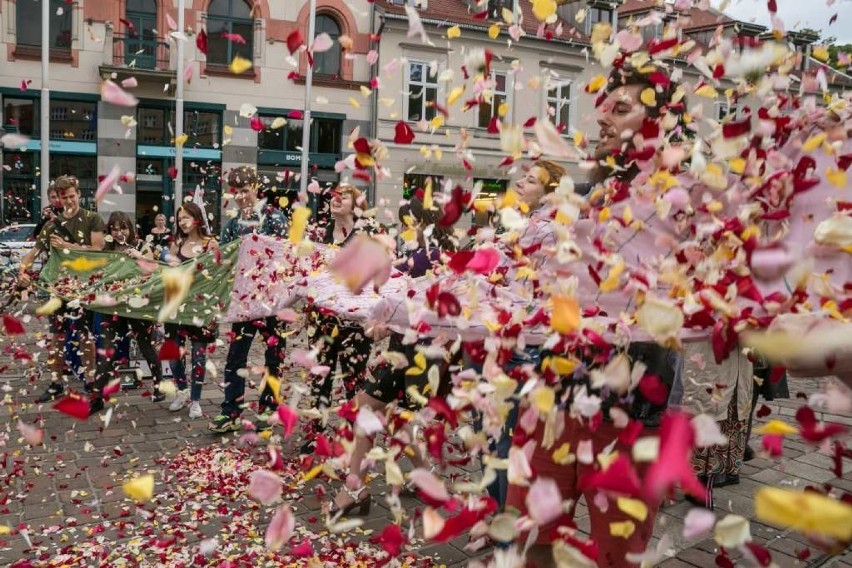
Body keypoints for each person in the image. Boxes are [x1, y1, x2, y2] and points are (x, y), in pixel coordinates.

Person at [328, 195, 454, 518]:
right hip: (403, 348)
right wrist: (385, 325)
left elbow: (427, 308)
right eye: (401, 222)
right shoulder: (412, 255)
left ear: (425, 222)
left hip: (422, 354)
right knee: (376, 410)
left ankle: (358, 487)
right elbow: (401, 306)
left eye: (407, 221)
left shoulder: (433, 256)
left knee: (380, 413)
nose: (402, 227)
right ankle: (414, 479)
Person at [208, 166, 288, 434]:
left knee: (273, 355)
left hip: (272, 301)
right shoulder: (232, 224)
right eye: (236, 192)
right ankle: (231, 410)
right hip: (243, 302)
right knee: (235, 356)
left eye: (245, 190)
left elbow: (283, 256)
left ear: (255, 187)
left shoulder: (275, 218)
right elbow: (227, 260)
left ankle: (269, 407)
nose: (241, 196)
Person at [18, 175, 105, 402]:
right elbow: (32, 254)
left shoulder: (92, 219)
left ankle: (90, 381)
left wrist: (68, 246)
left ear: (78, 194)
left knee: (85, 337)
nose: (68, 201)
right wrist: (22, 272)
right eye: (63, 198)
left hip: (84, 288)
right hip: (58, 289)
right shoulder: (51, 225)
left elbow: (98, 250)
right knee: (56, 337)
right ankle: (56, 382)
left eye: (71, 196)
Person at [301, 185, 374, 452]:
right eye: (333, 196)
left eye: (344, 196)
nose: (336, 200)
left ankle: (353, 436)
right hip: (321, 321)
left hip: (354, 324)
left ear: (356, 205)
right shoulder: (319, 233)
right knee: (320, 377)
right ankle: (315, 434)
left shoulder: (364, 235)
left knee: (354, 380)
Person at [88, 212, 165, 414]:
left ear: (130, 229)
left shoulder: (141, 246)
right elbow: (97, 274)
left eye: (123, 228)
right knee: (106, 351)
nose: (119, 232)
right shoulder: (107, 250)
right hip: (112, 308)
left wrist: (139, 257)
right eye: (114, 229)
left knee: (145, 344)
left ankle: (158, 385)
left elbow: (155, 270)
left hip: (135, 306)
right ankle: (97, 398)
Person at [164, 202, 218, 419]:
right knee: (174, 356)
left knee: (198, 356)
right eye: (179, 218)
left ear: (197, 218)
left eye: (186, 217)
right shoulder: (177, 243)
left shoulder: (210, 243)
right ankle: (182, 391)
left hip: (200, 308)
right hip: (176, 307)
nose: (182, 221)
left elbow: (217, 275)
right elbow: (168, 275)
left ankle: (195, 400)